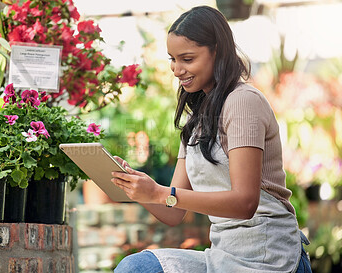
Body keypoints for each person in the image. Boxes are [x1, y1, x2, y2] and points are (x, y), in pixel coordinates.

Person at [111, 5, 312, 273]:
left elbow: (245, 203)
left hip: (269, 257)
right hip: (222, 256)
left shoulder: (243, 102)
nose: (176, 69)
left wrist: (161, 193)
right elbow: (173, 212)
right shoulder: (197, 121)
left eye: (187, 59)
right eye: (172, 59)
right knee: (136, 267)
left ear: (217, 51)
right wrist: (137, 189)